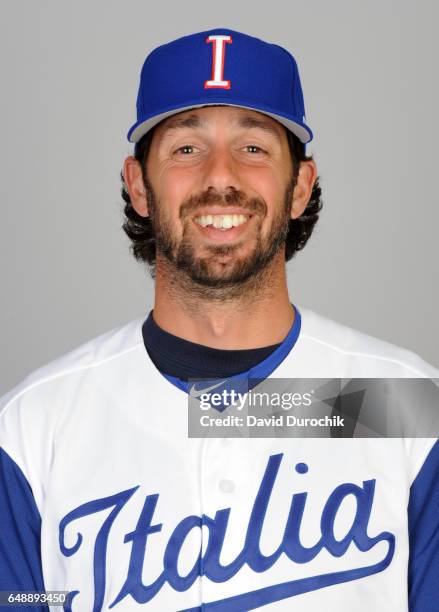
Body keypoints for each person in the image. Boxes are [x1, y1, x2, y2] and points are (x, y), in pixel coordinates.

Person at [1, 28, 438, 612]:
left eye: (253, 147)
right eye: (187, 148)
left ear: (300, 186)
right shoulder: (37, 427)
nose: (219, 176)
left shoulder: (399, 403)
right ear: (139, 185)